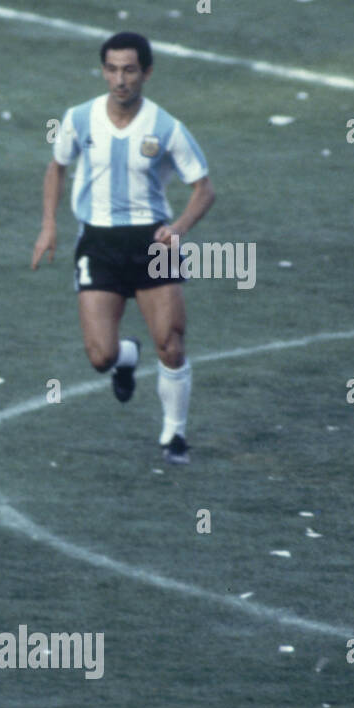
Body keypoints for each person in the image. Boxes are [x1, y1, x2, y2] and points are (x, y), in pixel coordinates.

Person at [31, 32, 215, 464]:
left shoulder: (167, 127)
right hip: (98, 243)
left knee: (170, 344)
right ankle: (126, 356)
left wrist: (180, 228)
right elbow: (57, 168)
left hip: (153, 242)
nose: (120, 79)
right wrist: (48, 226)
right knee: (100, 357)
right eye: (112, 69)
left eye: (129, 70)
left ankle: (174, 436)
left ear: (146, 73)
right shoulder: (78, 118)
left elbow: (204, 189)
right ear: (102, 71)